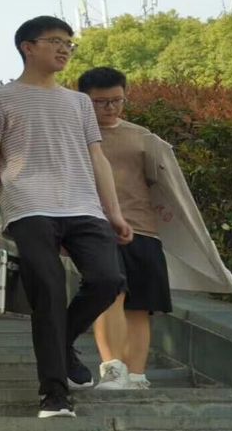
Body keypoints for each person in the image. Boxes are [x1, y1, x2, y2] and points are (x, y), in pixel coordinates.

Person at [0, 16, 132, 418]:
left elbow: (97, 157)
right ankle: (54, 395)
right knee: (47, 291)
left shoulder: (79, 102)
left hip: (83, 205)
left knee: (108, 279)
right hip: (28, 205)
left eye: (68, 43)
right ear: (28, 47)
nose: (64, 49)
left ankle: (60, 342)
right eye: (55, 41)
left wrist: (113, 212)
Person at [79, 67, 171, 391]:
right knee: (110, 294)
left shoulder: (143, 136)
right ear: (84, 101)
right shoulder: (73, 136)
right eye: (101, 102)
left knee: (141, 304)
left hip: (144, 228)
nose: (111, 108)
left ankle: (136, 375)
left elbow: (164, 185)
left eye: (117, 100)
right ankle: (112, 369)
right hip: (94, 227)